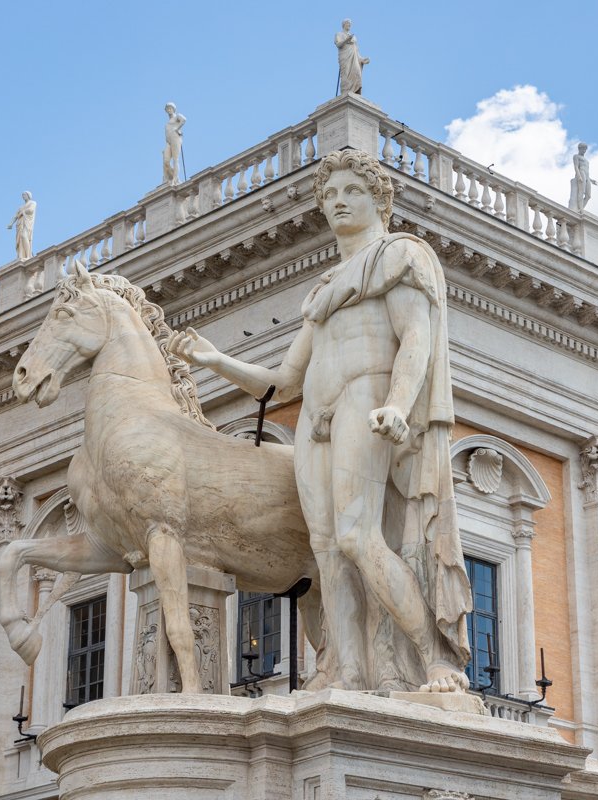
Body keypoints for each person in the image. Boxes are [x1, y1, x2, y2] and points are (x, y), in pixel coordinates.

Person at [170, 151, 472, 694]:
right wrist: (216, 361)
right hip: (316, 417)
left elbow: (416, 337)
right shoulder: (324, 289)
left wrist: (399, 403)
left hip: (367, 399)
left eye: (351, 191)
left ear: (379, 199)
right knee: (328, 549)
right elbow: (283, 381)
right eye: (329, 195)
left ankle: (435, 659)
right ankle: (347, 671)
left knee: (358, 536)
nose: (338, 202)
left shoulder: (398, 256)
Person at [335, 19, 370, 95]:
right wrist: (346, 40)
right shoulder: (339, 34)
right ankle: (345, 92)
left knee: (357, 73)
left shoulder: (353, 37)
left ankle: (356, 92)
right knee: (346, 75)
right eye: (348, 24)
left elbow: (356, 50)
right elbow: (338, 45)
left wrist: (362, 59)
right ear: (344, 25)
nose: (349, 25)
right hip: (345, 57)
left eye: (350, 24)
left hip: (354, 58)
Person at [7, 191, 36, 262]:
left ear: (28, 195)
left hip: (27, 222)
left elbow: (31, 210)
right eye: (22, 195)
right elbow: (15, 216)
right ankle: (21, 255)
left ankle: (28, 256)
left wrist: (22, 212)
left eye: (24, 195)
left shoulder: (32, 203)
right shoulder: (21, 207)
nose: (23, 196)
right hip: (20, 224)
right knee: (20, 240)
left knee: (24, 236)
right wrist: (11, 223)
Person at [162, 102, 186, 185]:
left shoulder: (177, 117)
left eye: (170, 108)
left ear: (173, 109)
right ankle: (172, 176)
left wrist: (177, 128)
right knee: (166, 161)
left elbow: (184, 120)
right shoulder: (167, 123)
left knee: (175, 159)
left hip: (175, 137)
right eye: (167, 109)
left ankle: (175, 179)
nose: (169, 110)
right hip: (168, 141)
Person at [568, 143, 596, 212]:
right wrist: (579, 176)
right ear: (579, 149)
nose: (584, 151)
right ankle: (580, 209)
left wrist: (591, 180)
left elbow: (587, 171)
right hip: (581, 173)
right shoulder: (576, 156)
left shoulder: (587, 161)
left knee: (588, 195)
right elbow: (576, 166)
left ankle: (580, 208)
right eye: (583, 149)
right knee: (581, 191)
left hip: (587, 176)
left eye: (585, 149)